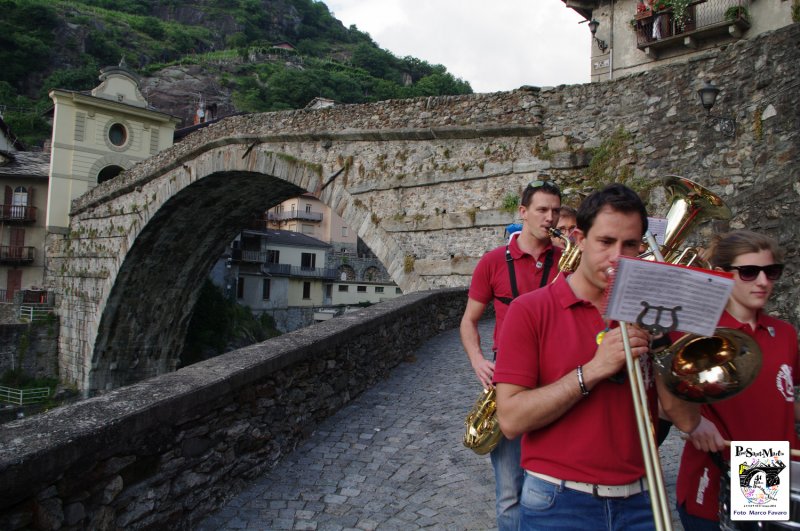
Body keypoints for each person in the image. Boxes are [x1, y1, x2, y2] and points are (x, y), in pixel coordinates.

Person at [493, 183, 712, 530]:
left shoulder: (650, 313)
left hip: (641, 499)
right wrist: (593, 370)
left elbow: (683, 418)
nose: (618, 258)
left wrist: (659, 351)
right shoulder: (530, 310)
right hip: (558, 503)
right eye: (606, 242)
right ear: (579, 238)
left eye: (630, 245)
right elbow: (511, 420)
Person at [677, 230, 799, 530]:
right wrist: (692, 423)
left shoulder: (784, 333)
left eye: (771, 272)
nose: (762, 282)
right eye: (748, 272)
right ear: (723, 275)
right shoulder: (698, 334)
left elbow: (783, 400)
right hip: (720, 470)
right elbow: (664, 401)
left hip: (769, 464)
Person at [460, 179, 563, 530]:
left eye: (555, 211)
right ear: (523, 213)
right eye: (542, 210)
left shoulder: (567, 261)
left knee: (556, 487)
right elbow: (469, 322)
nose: (550, 218)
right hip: (510, 383)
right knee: (510, 492)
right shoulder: (492, 262)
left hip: (556, 377)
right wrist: (477, 360)